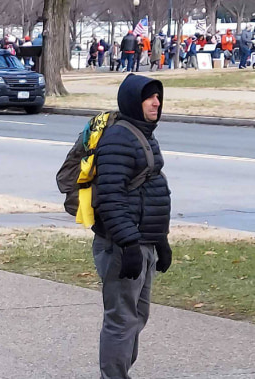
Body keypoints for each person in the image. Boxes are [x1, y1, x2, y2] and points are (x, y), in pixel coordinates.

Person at [92, 73, 171, 379]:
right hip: (122, 246)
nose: (156, 102)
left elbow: (147, 193)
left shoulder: (143, 134)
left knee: (136, 317)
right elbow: (110, 197)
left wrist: (160, 241)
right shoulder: (118, 139)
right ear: (132, 101)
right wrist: (128, 245)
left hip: (143, 242)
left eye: (158, 97)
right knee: (121, 320)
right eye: (149, 97)